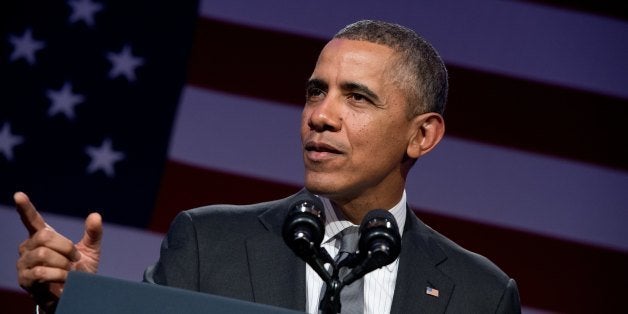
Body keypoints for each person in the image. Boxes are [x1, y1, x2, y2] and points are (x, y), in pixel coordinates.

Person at [16, 20, 521, 313]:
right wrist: (78, 303)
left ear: (422, 135)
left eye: (358, 98)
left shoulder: (480, 294)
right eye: (315, 91)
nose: (320, 116)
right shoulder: (208, 242)